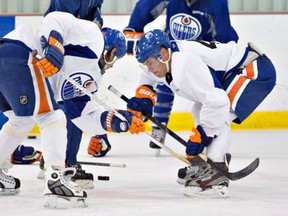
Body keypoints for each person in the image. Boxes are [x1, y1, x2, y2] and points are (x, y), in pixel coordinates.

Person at [0, 11, 144, 208]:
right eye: (114, 59)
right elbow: (54, 19)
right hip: (22, 51)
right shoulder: (94, 37)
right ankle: (55, 180)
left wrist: (118, 121)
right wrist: (56, 49)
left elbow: (84, 116)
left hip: (7, 57)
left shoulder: (91, 79)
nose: (111, 66)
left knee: (21, 121)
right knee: (52, 117)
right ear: (111, 52)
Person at [128, 29, 276, 197]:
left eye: (150, 63)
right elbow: (148, 76)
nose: (149, 69)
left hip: (254, 70)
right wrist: (144, 96)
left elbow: (218, 102)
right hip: (239, 70)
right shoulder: (167, 59)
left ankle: (216, 170)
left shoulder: (184, 64)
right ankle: (206, 165)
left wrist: (203, 134)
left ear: (163, 53)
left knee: (221, 113)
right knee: (201, 110)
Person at [120, 0, 239, 153]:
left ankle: (210, 139)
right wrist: (134, 27)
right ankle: (159, 125)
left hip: (198, 54)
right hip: (172, 47)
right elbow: (148, 4)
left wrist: (222, 62)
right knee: (163, 78)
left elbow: (224, 37)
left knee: (208, 98)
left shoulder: (215, 3)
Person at [36, 0, 109, 189]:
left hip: (75, 47)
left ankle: (54, 158)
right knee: (69, 104)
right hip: (61, 47)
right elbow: (59, 21)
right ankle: (64, 162)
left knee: (74, 102)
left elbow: (93, 19)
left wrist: (101, 134)